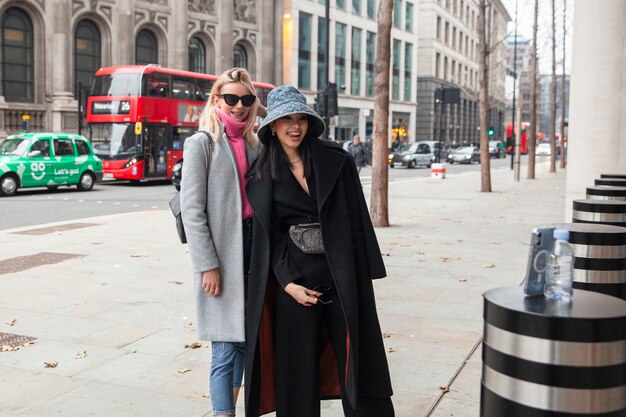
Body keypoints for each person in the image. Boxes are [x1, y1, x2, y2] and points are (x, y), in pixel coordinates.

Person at [244, 85, 394, 417]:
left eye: (301, 118)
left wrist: (364, 270)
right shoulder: (260, 175)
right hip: (295, 287)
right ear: (272, 126)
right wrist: (287, 284)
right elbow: (272, 237)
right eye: (286, 120)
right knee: (297, 379)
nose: (294, 126)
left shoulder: (336, 160)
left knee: (361, 368)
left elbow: (357, 219)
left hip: (343, 280)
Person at [180, 67, 264, 417]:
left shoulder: (255, 145)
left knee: (245, 340)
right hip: (222, 253)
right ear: (216, 100)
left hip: (254, 250)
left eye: (246, 100)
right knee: (224, 347)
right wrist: (207, 265)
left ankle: (229, 408)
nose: (239, 106)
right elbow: (191, 210)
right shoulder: (202, 144)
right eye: (231, 99)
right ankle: (222, 412)